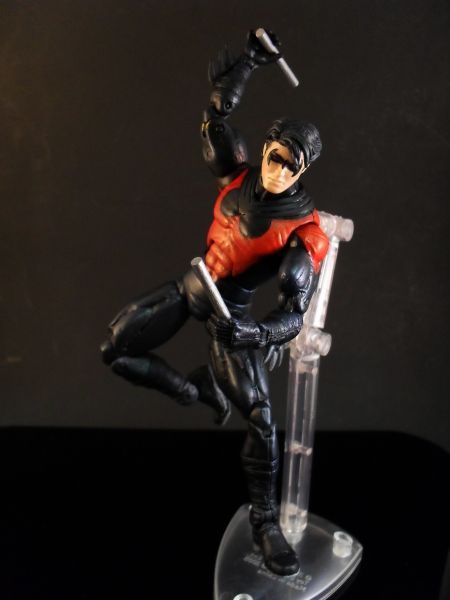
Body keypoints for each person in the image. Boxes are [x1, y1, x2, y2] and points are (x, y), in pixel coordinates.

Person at [101, 30, 329, 576]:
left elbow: (293, 313)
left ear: (302, 172)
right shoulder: (239, 175)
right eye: (277, 156)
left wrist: (254, 335)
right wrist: (248, 62)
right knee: (116, 348)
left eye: (291, 166)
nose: (279, 170)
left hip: (233, 319)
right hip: (192, 288)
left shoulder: (303, 230)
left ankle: (266, 522)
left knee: (262, 420)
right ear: (268, 148)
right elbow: (215, 120)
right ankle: (195, 391)